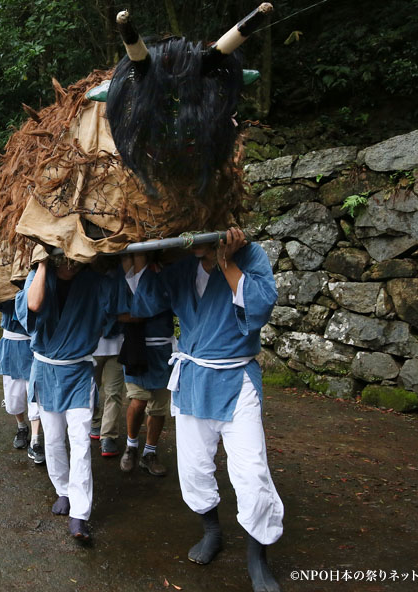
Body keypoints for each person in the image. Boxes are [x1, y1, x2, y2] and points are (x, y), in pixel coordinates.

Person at [132, 227, 283, 592]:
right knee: (194, 468)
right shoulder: (180, 266)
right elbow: (144, 306)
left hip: (236, 380)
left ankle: (257, 556)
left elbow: (261, 308)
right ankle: (212, 530)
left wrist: (226, 263)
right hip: (192, 380)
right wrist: (145, 263)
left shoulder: (251, 256)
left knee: (251, 471)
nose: (194, 237)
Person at [15, 255, 122, 541]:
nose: (71, 265)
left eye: (76, 259)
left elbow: (117, 311)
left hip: (78, 372)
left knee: (80, 442)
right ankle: (62, 489)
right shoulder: (39, 278)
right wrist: (41, 266)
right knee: (52, 439)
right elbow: (33, 306)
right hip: (46, 371)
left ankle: (80, 513)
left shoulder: (96, 283)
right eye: (64, 259)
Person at [117, 253, 174, 477]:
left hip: (163, 352)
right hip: (137, 348)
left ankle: (150, 453)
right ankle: (131, 446)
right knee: (138, 401)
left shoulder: (169, 278)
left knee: (159, 407)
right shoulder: (131, 279)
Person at [0, 300, 44, 464]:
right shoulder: (4, 278)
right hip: (12, 341)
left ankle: (36, 440)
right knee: (13, 397)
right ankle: (22, 426)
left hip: (35, 341)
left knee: (36, 392)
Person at [90, 315, 126, 459]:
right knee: (91, 390)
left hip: (118, 346)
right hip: (91, 347)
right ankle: (95, 421)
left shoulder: (122, 291)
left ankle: (108, 435)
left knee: (114, 393)